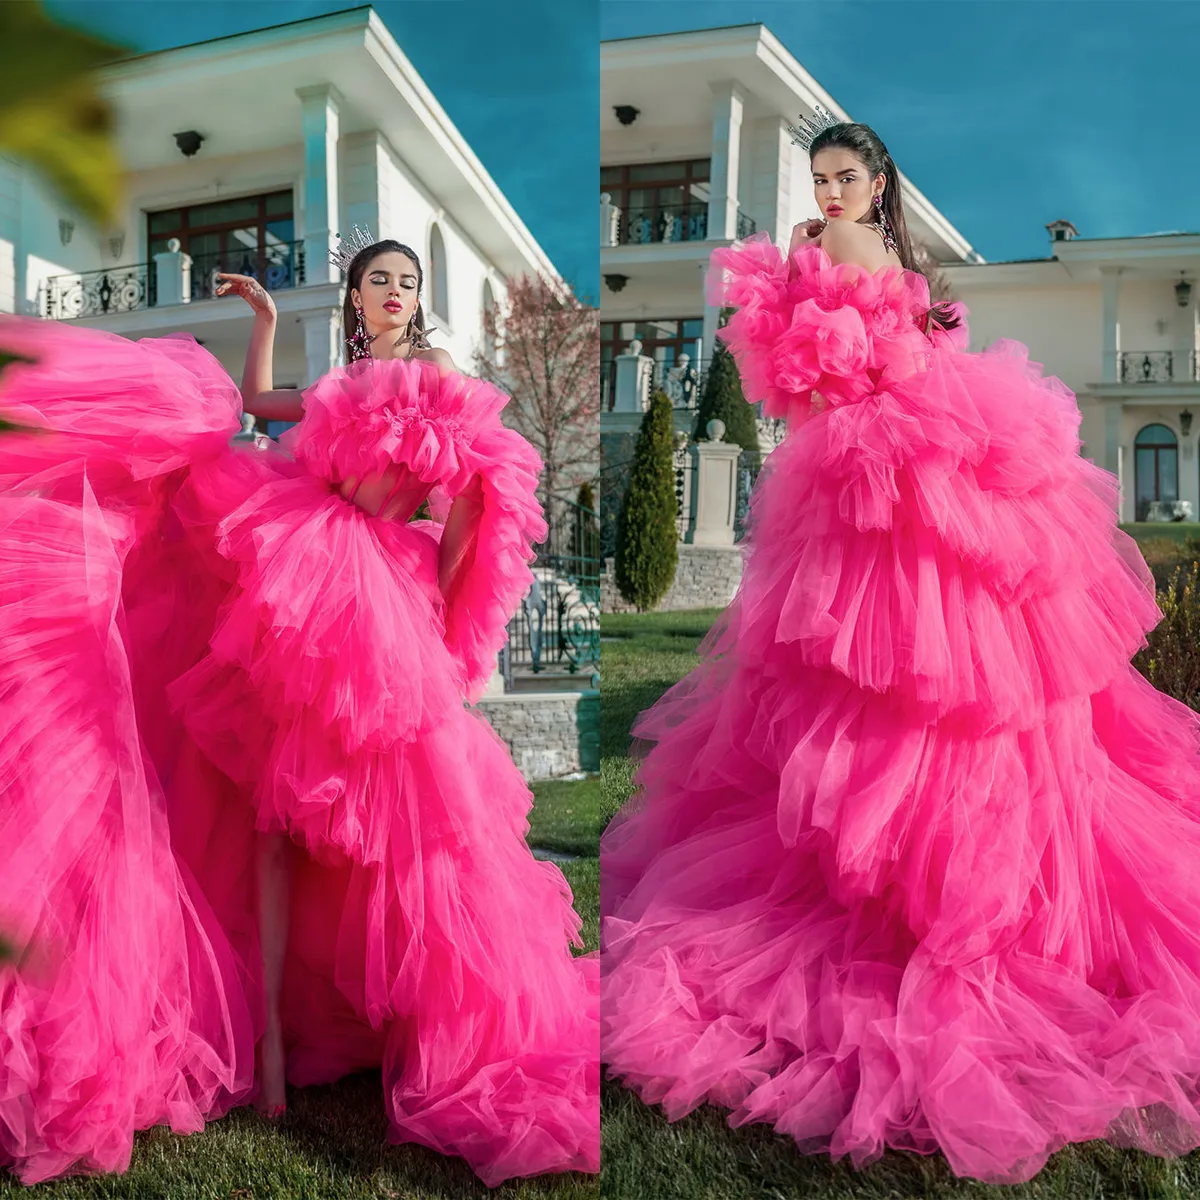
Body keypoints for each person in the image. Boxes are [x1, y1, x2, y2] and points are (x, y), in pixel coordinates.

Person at [599, 115, 1200, 1185]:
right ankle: (891, 884)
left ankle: (973, 887)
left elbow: (913, 358)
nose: (830, 192)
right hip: (861, 485)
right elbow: (799, 387)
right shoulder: (810, 253)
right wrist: (803, 299)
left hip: (928, 469)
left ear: (879, 184)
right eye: (820, 177)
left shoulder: (893, 266)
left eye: (846, 177)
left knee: (974, 677)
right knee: (885, 686)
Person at [0, 232, 599, 1187]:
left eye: (407, 281)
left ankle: (425, 1025)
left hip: (382, 603)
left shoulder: (443, 373)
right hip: (298, 582)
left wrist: (446, 624)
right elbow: (253, 406)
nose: (394, 293)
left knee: (404, 826)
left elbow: (474, 502)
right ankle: (273, 1047)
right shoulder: (336, 382)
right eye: (377, 282)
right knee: (272, 823)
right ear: (355, 300)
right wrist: (268, 324)